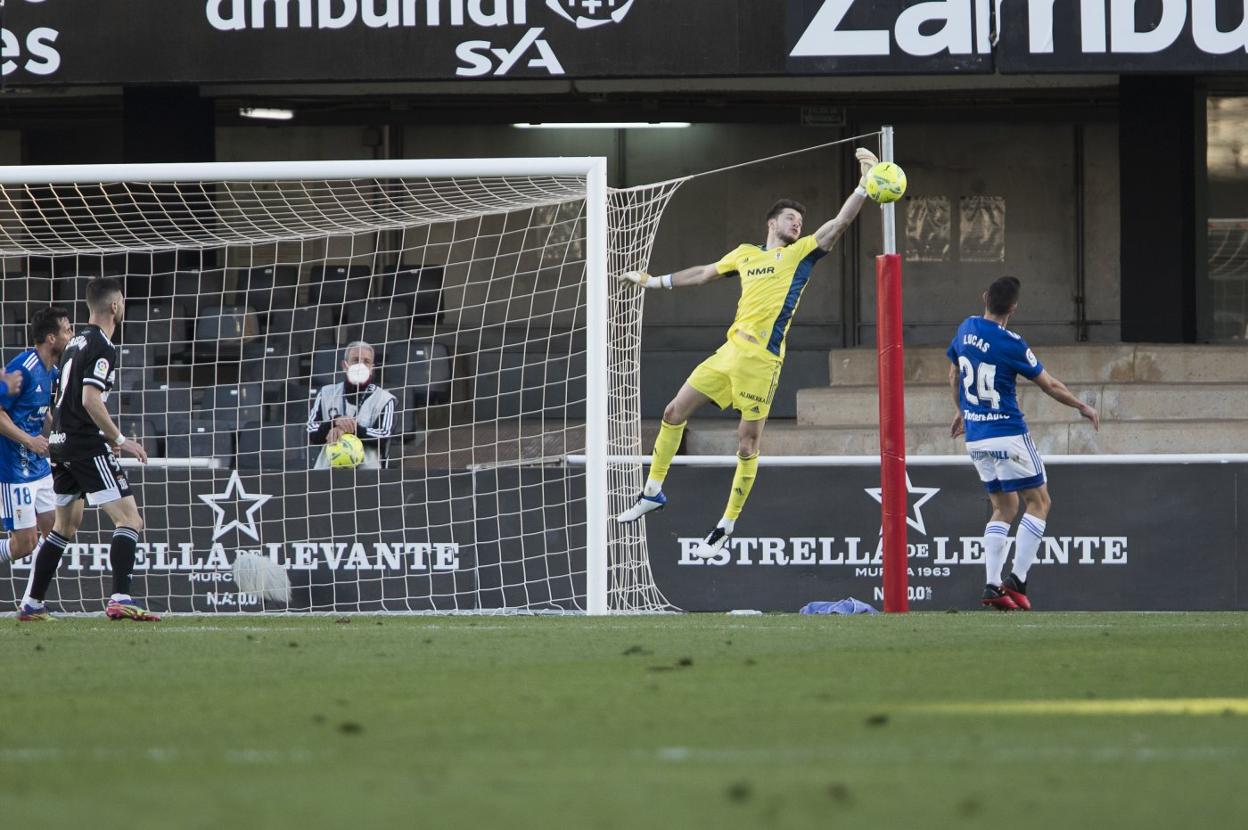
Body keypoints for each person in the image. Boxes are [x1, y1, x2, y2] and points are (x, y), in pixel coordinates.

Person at [615, 146, 880, 558]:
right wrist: (652, 281)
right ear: (772, 223)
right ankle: (652, 491)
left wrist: (864, 185)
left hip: (762, 362)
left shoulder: (800, 254)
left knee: (746, 444)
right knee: (673, 412)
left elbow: (840, 223)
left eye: (800, 220)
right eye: (790, 218)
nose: (797, 223)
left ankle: (726, 525)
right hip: (729, 351)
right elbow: (703, 273)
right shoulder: (745, 253)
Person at [947, 276, 1099, 611]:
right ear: (1014, 308)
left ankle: (992, 585)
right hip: (1007, 432)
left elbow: (954, 374)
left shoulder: (966, 328)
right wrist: (1081, 405)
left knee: (1003, 507)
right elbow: (1050, 385)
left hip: (976, 438)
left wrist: (961, 410)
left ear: (984, 297)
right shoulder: (1012, 343)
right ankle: (1017, 579)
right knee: (1039, 501)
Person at [19, 278, 155, 622]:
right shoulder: (102, 345)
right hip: (83, 444)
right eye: (122, 302)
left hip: (61, 444)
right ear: (114, 306)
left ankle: (32, 602)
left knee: (65, 526)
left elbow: (66, 399)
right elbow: (90, 399)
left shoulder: (75, 343)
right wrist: (120, 439)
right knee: (130, 519)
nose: (123, 306)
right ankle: (120, 598)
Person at [0, 306, 73, 585]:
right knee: (24, 544)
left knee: (56, 533)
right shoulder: (23, 368)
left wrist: (57, 434)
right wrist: (29, 440)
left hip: (39, 468)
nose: (71, 335)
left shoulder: (52, 372)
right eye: (67, 330)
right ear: (51, 338)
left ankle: (32, 600)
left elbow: (42, 413)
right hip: (14, 470)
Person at [307, 341, 397, 469]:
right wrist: (334, 422)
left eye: (366, 361)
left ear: (372, 368)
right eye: (355, 360)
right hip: (328, 471)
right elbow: (311, 432)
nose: (361, 365)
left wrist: (350, 428)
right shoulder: (326, 393)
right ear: (344, 365)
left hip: (368, 474)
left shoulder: (385, 399)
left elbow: (384, 436)